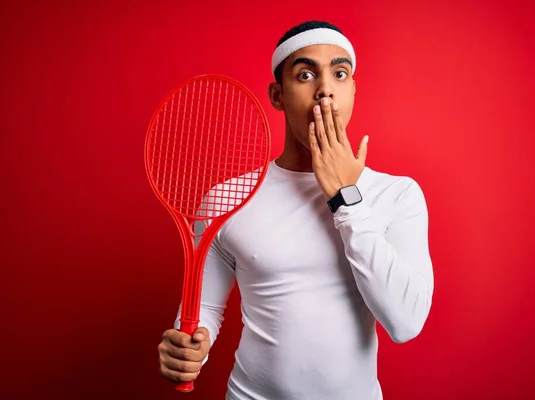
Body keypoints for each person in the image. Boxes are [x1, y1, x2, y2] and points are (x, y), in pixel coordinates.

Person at [157, 20, 435, 400]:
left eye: (339, 74)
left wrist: (345, 196)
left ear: (352, 90)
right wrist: (189, 352)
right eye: (305, 74)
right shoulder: (230, 198)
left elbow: (406, 322)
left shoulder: (397, 195)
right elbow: (202, 309)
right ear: (277, 95)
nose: (325, 91)